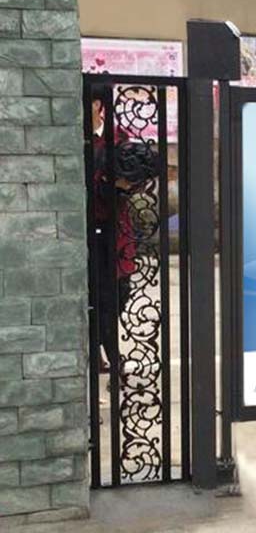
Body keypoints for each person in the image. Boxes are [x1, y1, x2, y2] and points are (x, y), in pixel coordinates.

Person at [91, 92, 137, 374]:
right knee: (99, 298)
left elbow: (138, 174)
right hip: (91, 232)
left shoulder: (118, 138)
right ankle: (110, 358)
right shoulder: (76, 141)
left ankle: (96, 347)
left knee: (120, 293)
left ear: (97, 105)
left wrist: (127, 183)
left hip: (118, 230)